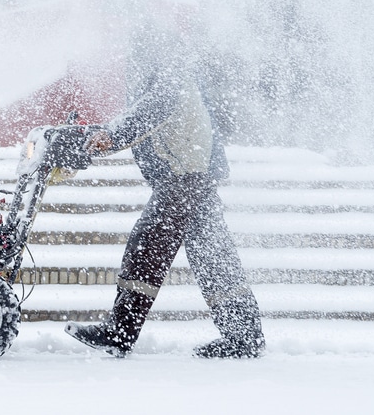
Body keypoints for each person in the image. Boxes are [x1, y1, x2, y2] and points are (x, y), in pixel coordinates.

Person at [64, 25, 265, 359]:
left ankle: (119, 332)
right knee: (213, 258)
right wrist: (103, 134)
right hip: (193, 180)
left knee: (146, 249)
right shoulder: (174, 77)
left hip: (183, 181)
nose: (131, 64)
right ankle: (244, 335)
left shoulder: (171, 80)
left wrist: (110, 137)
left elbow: (147, 114)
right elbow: (145, 115)